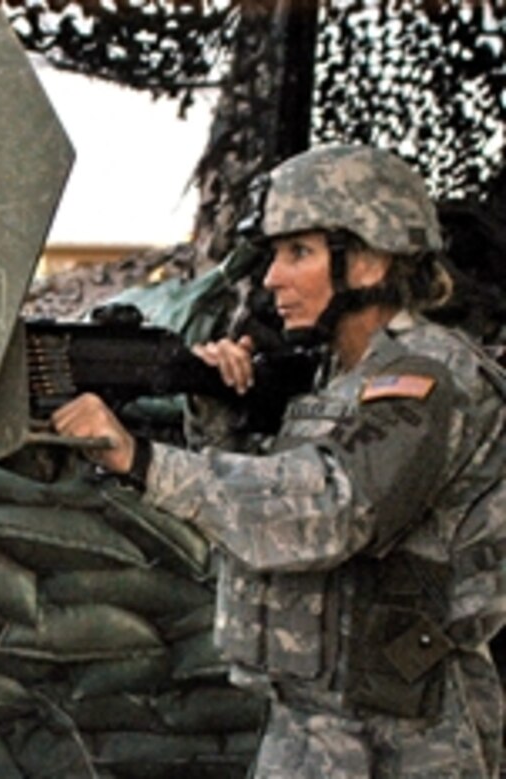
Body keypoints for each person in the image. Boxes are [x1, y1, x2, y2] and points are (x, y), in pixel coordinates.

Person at [52, 145, 506, 777]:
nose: (271, 278)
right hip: (308, 724)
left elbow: (331, 509)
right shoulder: (331, 379)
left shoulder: (430, 378)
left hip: (407, 735)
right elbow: (258, 529)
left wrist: (144, 460)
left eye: (300, 253)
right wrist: (221, 409)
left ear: (370, 260)